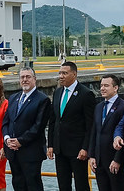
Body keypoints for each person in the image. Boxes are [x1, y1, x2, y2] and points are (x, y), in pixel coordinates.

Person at [47, 61, 96, 191]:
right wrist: (50, 144)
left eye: (64, 73)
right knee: (63, 184)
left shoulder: (86, 94)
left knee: (81, 184)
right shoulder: (57, 93)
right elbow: (53, 120)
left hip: (78, 150)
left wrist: (85, 148)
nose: (61, 76)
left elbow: (90, 125)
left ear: (74, 74)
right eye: (60, 73)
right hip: (60, 149)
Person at [3, 67, 51, 191]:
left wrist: (20, 141)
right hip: (13, 152)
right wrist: (7, 138)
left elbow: (38, 126)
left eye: (28, 77)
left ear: (34, 79)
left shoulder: (42, 100)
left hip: (31, 153)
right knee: (18, 184)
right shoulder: (13, 98)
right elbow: (6, 122)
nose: (25, 80)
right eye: (22, 77)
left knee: (33, 185)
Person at [88, 75, 124, 191]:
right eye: (101, 86)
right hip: (99, 161)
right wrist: (92, 155)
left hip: (114, 162)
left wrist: (117, 159)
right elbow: (94, 132)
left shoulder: (123, 107)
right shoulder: (99, 107)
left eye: (106, 85)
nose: (102, 88)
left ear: (115, 88)